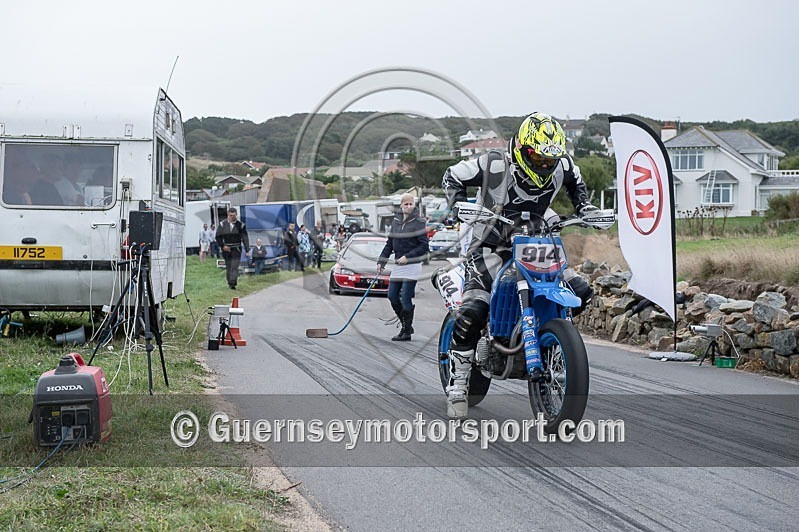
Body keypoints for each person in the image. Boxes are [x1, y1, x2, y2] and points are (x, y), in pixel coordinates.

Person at [440, 112, 598, 418]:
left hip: (537, 240)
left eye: (547, 160)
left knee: (581, 291)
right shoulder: (494, 164)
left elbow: (576, 182)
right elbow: (453, 174)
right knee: (474, 309)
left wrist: (584, 207)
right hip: (489, 242)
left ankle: (548, 339)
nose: (542, 164)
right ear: (522, 150)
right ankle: (458, 385)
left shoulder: (562, 165)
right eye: (536, 158)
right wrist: (456, 205)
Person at [377, 193, 429, 342]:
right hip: (398, 264)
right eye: (405, 204)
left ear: (414, 205)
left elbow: (424, 246)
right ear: (401, 205)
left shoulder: (418, 222)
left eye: (410, 204)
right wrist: (381, 262)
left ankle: (406, 331)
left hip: (412, 264)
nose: (408, 206)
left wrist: (408, 257)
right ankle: (407, 324)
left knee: (405, 298)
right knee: (392, 295)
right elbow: (389, 244)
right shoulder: (396, 222)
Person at [216, 208, 249, 289]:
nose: (232, 217)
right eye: (230, 216)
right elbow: (218, 237)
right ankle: (229, 282)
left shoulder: (241, 225)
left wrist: (247, 250)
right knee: (229, 266)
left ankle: (233, 284)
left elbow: (245, 238)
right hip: (226, 249)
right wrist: (223, 246)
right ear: (228, 214)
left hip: (236, 248)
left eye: (234, 216)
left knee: (234, 266)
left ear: (236, 215)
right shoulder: (222, 224)